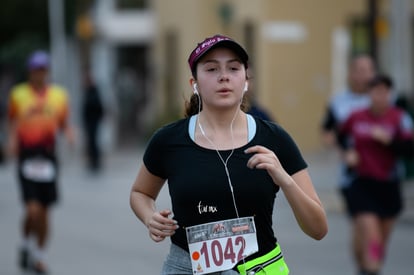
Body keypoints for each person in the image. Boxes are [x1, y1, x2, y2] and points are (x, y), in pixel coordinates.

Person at [130, 34, 327, 274]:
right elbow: (140, 193)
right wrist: (149, 217)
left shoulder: (274, 139)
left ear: (245, 80)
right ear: (194, 83)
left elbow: (318, 229)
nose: (223, 76)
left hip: (260, 267)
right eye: (211, 69)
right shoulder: (169, 140)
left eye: (233, 68)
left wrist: (284, 179)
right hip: (186, 268)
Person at [337, 74, 414, 275]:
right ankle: (370, 269)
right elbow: (341, 136)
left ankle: (367, 268)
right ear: (369, 93)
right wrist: (348, 153)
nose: (379, 96)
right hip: (362, 184)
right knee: (373, 238)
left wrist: (389, 141)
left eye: (384, 91)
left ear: (390, 94)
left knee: (380, 242)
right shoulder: (356, 116)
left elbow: (409, 149)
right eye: (375, 91)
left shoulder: (400, 117)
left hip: (389, 185)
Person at [7, 50, 74, 274]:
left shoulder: (59, 96)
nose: (40, 73)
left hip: (48, 157)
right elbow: (13, 122)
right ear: (30, 71)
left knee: (45, 213)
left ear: (48, 71)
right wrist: (12, 142)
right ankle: (26, 244)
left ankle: (40, 257)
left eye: (43, 69)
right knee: (32, 210)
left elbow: (64, 122)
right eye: (36, 69)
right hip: (27, 156)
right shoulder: (18, 94)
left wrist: (70, 133)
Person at [320, 54, 375, 272]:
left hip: (385, 175)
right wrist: (344, 152)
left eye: (367, 69)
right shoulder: (339, 102)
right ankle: (370, 268)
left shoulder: (384, 98)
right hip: (353, 177)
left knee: (377, 232)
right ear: (350, 73)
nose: (362, 75)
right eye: (358, 69)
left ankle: (369, 263)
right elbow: (326, 133)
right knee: (366, 227)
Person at [81, 71, 104, 172]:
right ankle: (92, 161)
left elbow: (98, 106)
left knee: (93, 142)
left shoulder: (93, 91)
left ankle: (95, 162)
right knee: (91, 142)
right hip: (90, 122)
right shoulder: (88, 91)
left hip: (93, 122)